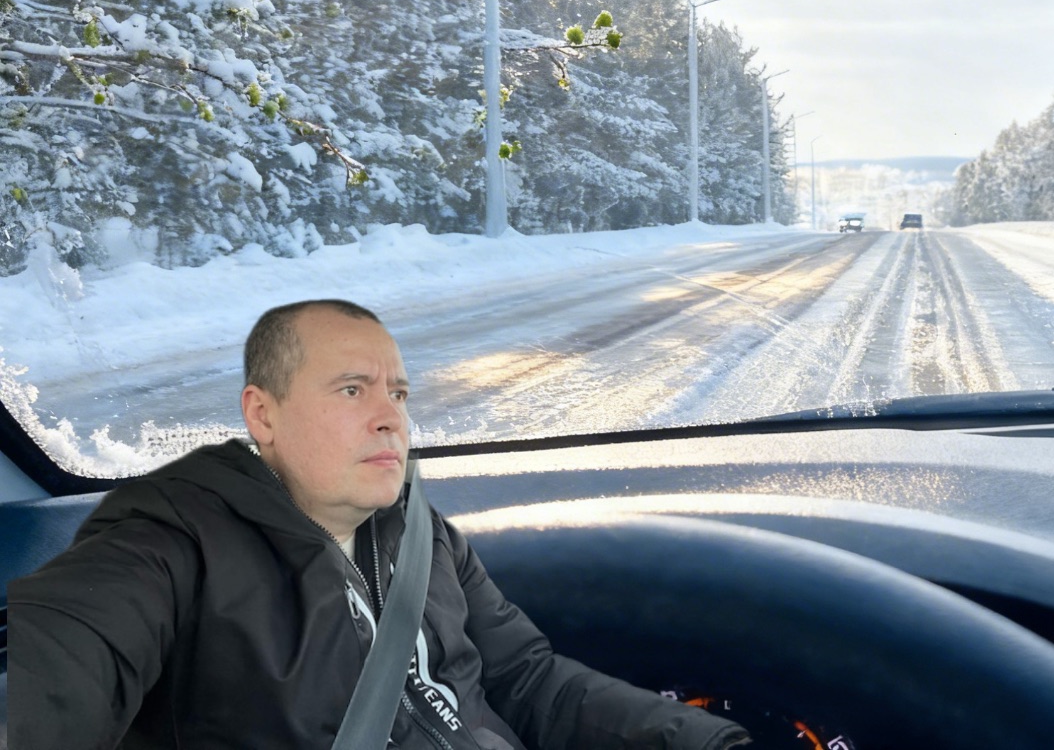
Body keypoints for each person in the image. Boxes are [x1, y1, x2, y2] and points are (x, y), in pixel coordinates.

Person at [6, 299, 749, 750]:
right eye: (352, 389)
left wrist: (708, 741)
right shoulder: (172, 539)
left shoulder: (421, 534)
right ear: (263, 414)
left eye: (398, 392)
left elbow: (527, 681)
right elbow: (56, 674)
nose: (391, 415)